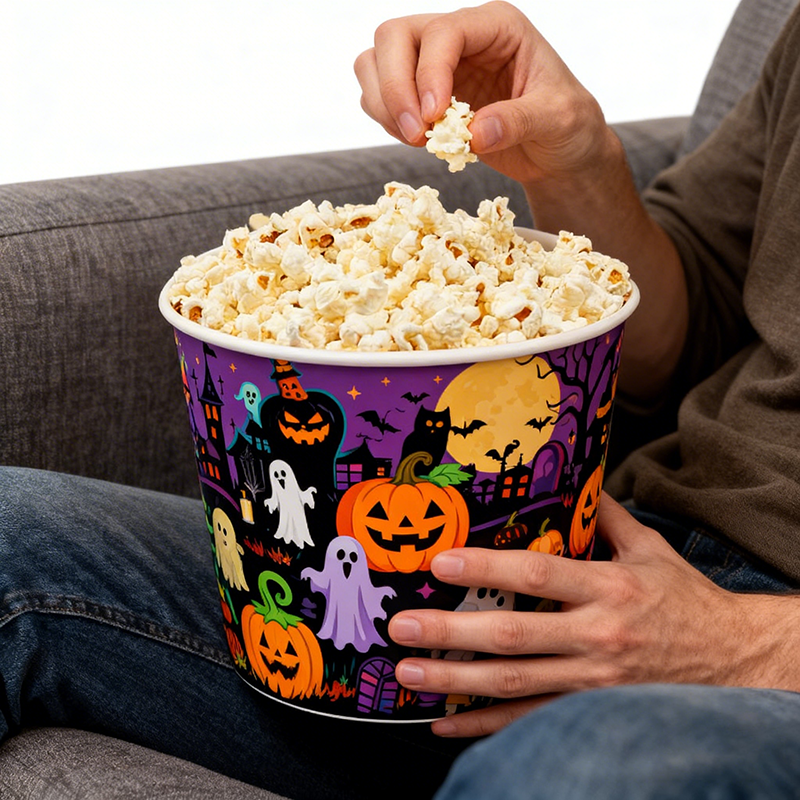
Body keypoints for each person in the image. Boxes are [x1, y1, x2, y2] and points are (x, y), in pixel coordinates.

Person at [1, 3, 799, 799]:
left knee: (568, 768)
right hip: (597, 557)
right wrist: (575, 164)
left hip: (756, 656)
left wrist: (743, 642)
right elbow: (687, 330)